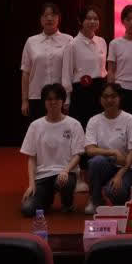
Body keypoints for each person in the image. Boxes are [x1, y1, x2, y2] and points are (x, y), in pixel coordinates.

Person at [20, 83, 85, 216]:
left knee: (65, 182)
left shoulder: (74, 124)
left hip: (66, 173)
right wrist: (31, 184)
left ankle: (68, 204)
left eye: (57, 98)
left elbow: (78, 154)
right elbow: (31, 158)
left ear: (63, 101)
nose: (53, 102)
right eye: (49, 99)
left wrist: (66, 171)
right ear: (44, 102)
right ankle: (46, 198)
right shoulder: (35, 126)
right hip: (43, 175)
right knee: (27, 209)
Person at [84, 82, 132, 213]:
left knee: (116, 193)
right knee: (95, 162)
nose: (109, 100)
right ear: (100, 99)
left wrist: (119, 174)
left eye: (113, 96)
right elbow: (89, 150)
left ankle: (125, 192)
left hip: (127, 168)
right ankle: (95, 199)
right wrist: (113, 152)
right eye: (105, 96)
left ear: (120, 98)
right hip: (105, 165)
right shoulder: (94, 121)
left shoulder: (130, 120)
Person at [21, 2, 72, 121]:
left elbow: (71, 71)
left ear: (59, 18)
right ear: (41, 19)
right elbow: (25, 73)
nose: (49, 18)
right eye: (45, 15)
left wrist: (68, 97)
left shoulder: (68, 40)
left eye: (53, 15)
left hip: (60, 97)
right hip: (36, 97)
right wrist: (24, 100)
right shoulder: (31, 41)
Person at [62, 5, 108, 133]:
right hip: (82, 92)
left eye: (96, 18)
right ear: (80, 21)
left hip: (100, 91)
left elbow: (103, 69)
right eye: (88, 18)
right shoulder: (72, 45)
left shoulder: (102, 41)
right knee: (83, 129)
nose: (92, 21)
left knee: (99, 130)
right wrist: (67, 100)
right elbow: (66, 74)